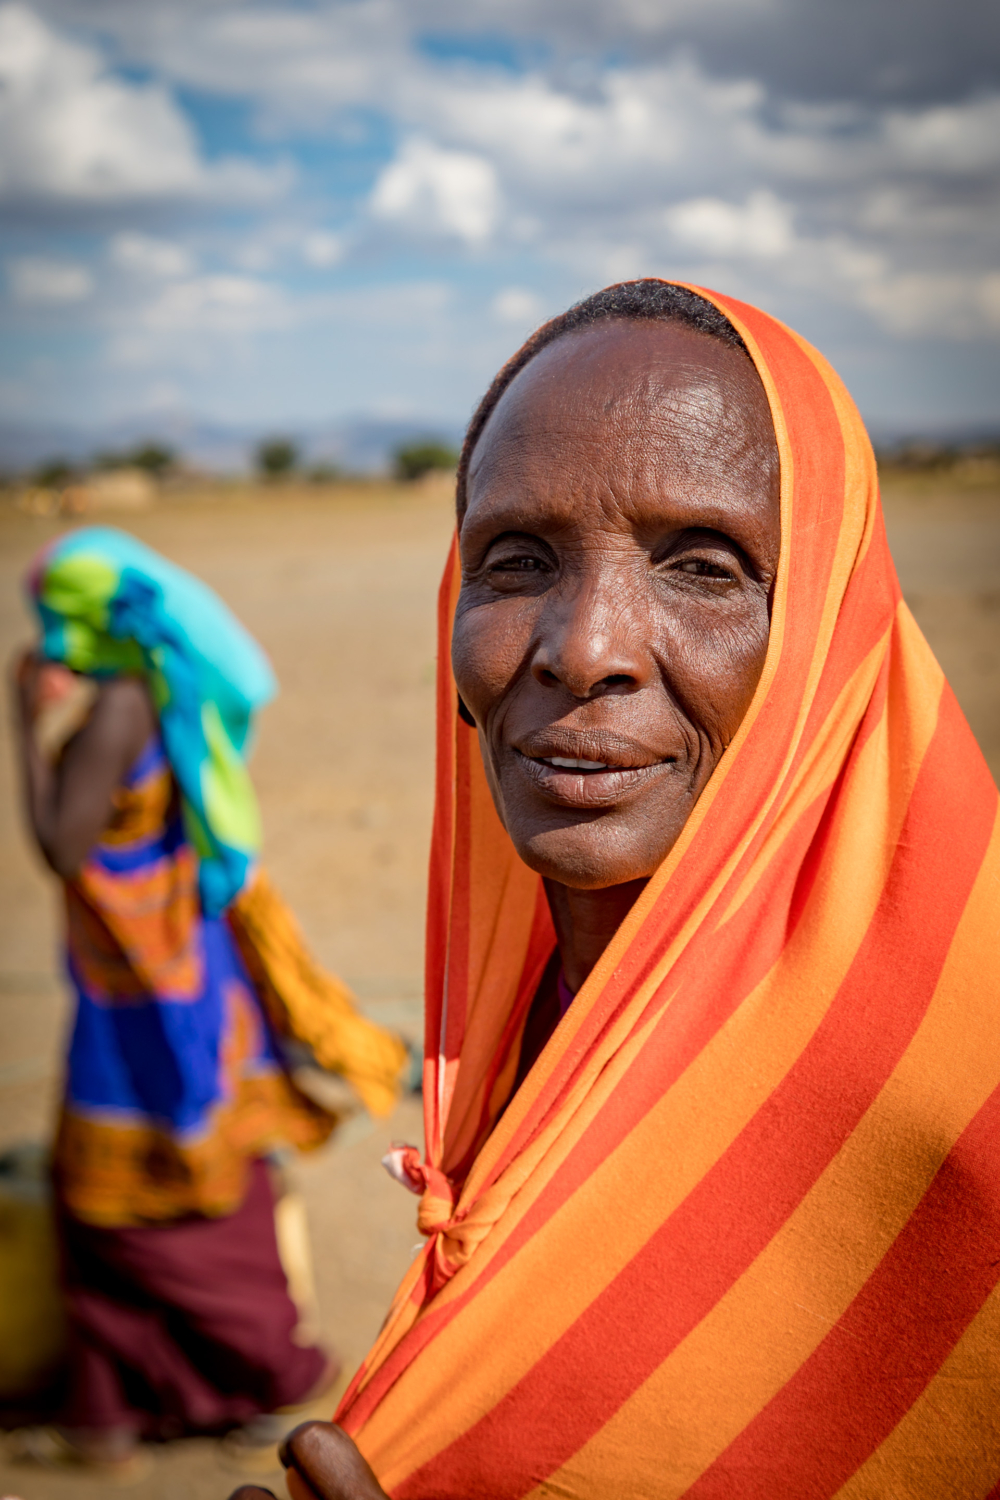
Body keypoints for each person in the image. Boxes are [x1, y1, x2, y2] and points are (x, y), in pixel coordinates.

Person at [228, 280, 1000, 1500]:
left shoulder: (964, 1101)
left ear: (824, 635)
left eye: (702, 567)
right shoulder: (526, 1014)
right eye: (515, 561)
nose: (584, 648)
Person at [11, 527, 409, 1478]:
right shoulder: (155, 694)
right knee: (113, 1192)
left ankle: (277, 1375)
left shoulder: (118, 707)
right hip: (160, 981)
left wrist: (19, 724)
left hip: (153, 1001)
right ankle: (109, 1419)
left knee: (139, 1199)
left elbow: (63, 851)